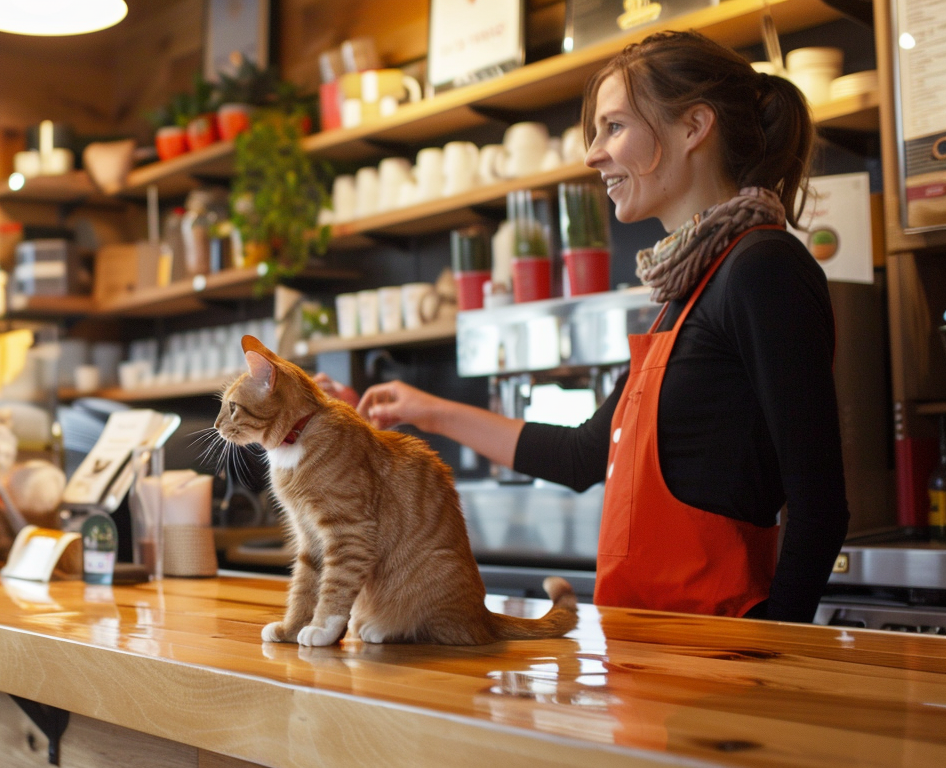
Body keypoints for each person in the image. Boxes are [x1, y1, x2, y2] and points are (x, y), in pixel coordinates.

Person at [318, 31, 849, 623]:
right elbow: (583, 454)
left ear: (695, 126)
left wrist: (774, 653)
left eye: (614, 127)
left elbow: (820, 503)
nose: (593, 154)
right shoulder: (688, 287)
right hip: (651, 652)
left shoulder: (762, 268)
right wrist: (426, 410)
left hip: (721, 656)